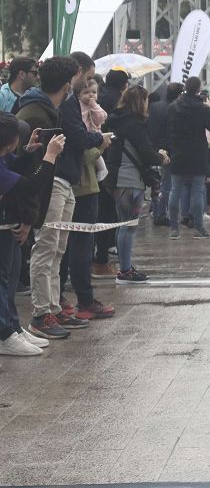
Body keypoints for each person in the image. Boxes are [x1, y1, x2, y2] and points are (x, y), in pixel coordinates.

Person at [19, 55, 109, 338]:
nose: (85, 82)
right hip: (51, 183)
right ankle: (41, 314)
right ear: (69, 82)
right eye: (83, 77)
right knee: (46, 248)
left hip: (63, 180)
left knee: (57, 249)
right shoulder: (37, 111)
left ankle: (53, 307)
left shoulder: (52, 108)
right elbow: (26, 159)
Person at [0, 120, 65, 354]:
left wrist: (28, 152)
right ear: (10, 142)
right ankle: (5, 335)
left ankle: (12, 327)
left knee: (10, 280)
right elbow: (30, 186)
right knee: (2, 283)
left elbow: (14, 165)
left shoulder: (4, 156)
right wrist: (49, 156)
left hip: (9, 226)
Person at [59, 77, 115, 319]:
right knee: (81, 244)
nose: (91, 96)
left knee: (66, 244)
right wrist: (101, 145)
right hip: (83, 186)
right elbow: (83, 153)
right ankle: (84, 301)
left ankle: (61, 298)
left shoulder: (69, 109)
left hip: (79, 184)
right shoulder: (72, 112)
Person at [105, 85, 167, 284]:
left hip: (116, 177)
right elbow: (146, 153)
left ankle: (125, 266)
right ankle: (125, 271)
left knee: (122, 224)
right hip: (129, 178)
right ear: (141, 102)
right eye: (146, 100)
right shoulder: (134, 125)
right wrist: (161, 157)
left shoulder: (116, 120)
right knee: (129, 225)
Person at [167, 76, 210, 240]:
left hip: (178, 152)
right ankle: (199, 228)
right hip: (198, 153)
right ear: (198, 89)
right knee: (197, 190)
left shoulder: (173, 107)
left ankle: (174, 228)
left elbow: (168, 127)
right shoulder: (203, 108)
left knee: (175, 190)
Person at [147, 82, 184, 226]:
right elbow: (172, 132)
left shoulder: (154, 106)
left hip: (153, 148)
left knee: (156, 183)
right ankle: (161, 214)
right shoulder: (174, 109)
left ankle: (155, 211)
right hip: (168, 151)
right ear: (179, 95)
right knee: (167, 184)